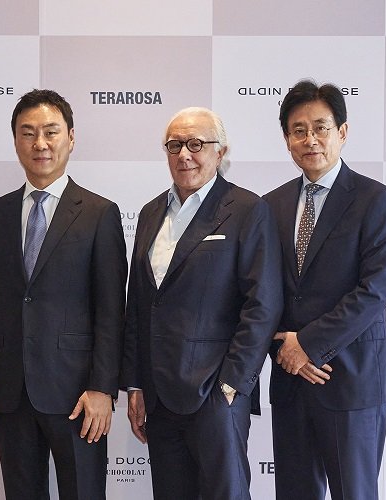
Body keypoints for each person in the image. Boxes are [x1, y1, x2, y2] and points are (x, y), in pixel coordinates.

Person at [0, 89, 127, 500]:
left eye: (51, 132)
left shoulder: (99, 213)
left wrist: (103, 388)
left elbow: (111, 311)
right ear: (15, 141)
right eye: (28, 133)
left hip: (78, 395)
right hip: (10, 391)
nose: (40, 143)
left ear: (70, 137)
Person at [121, 107, 283, 500]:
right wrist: (136, 383)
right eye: (174, 145)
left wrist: (232, 383)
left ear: (220, 151)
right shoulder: (150, 213)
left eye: (196, 144)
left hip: (216, 393)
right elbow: (139, 304)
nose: (184, 154)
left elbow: (262, 304)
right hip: (159, 396)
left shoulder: (246, 210)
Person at [263, 79, 386, 500]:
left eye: (320, 128)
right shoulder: (270, 206)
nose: (310, 139)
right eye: (298, 130)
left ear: (342, 131)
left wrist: (308, 345)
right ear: (287, 139)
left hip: (352, 379)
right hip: (291, 379)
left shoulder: (376, 200)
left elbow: (373, 291)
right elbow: (261, 294)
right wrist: (285, 351)